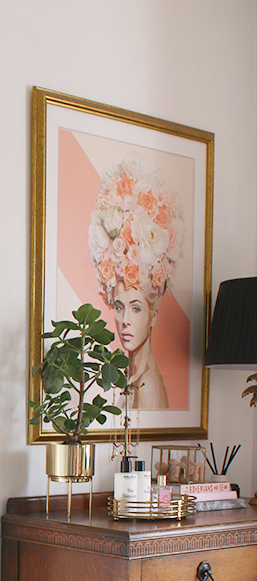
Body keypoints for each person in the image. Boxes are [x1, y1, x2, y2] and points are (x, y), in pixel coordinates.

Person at [89, 152, 185, 410]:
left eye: (136, 307)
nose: (125, 321)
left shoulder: (147, 387)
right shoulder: (135, 378)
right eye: (120, 307)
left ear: (154, 315)